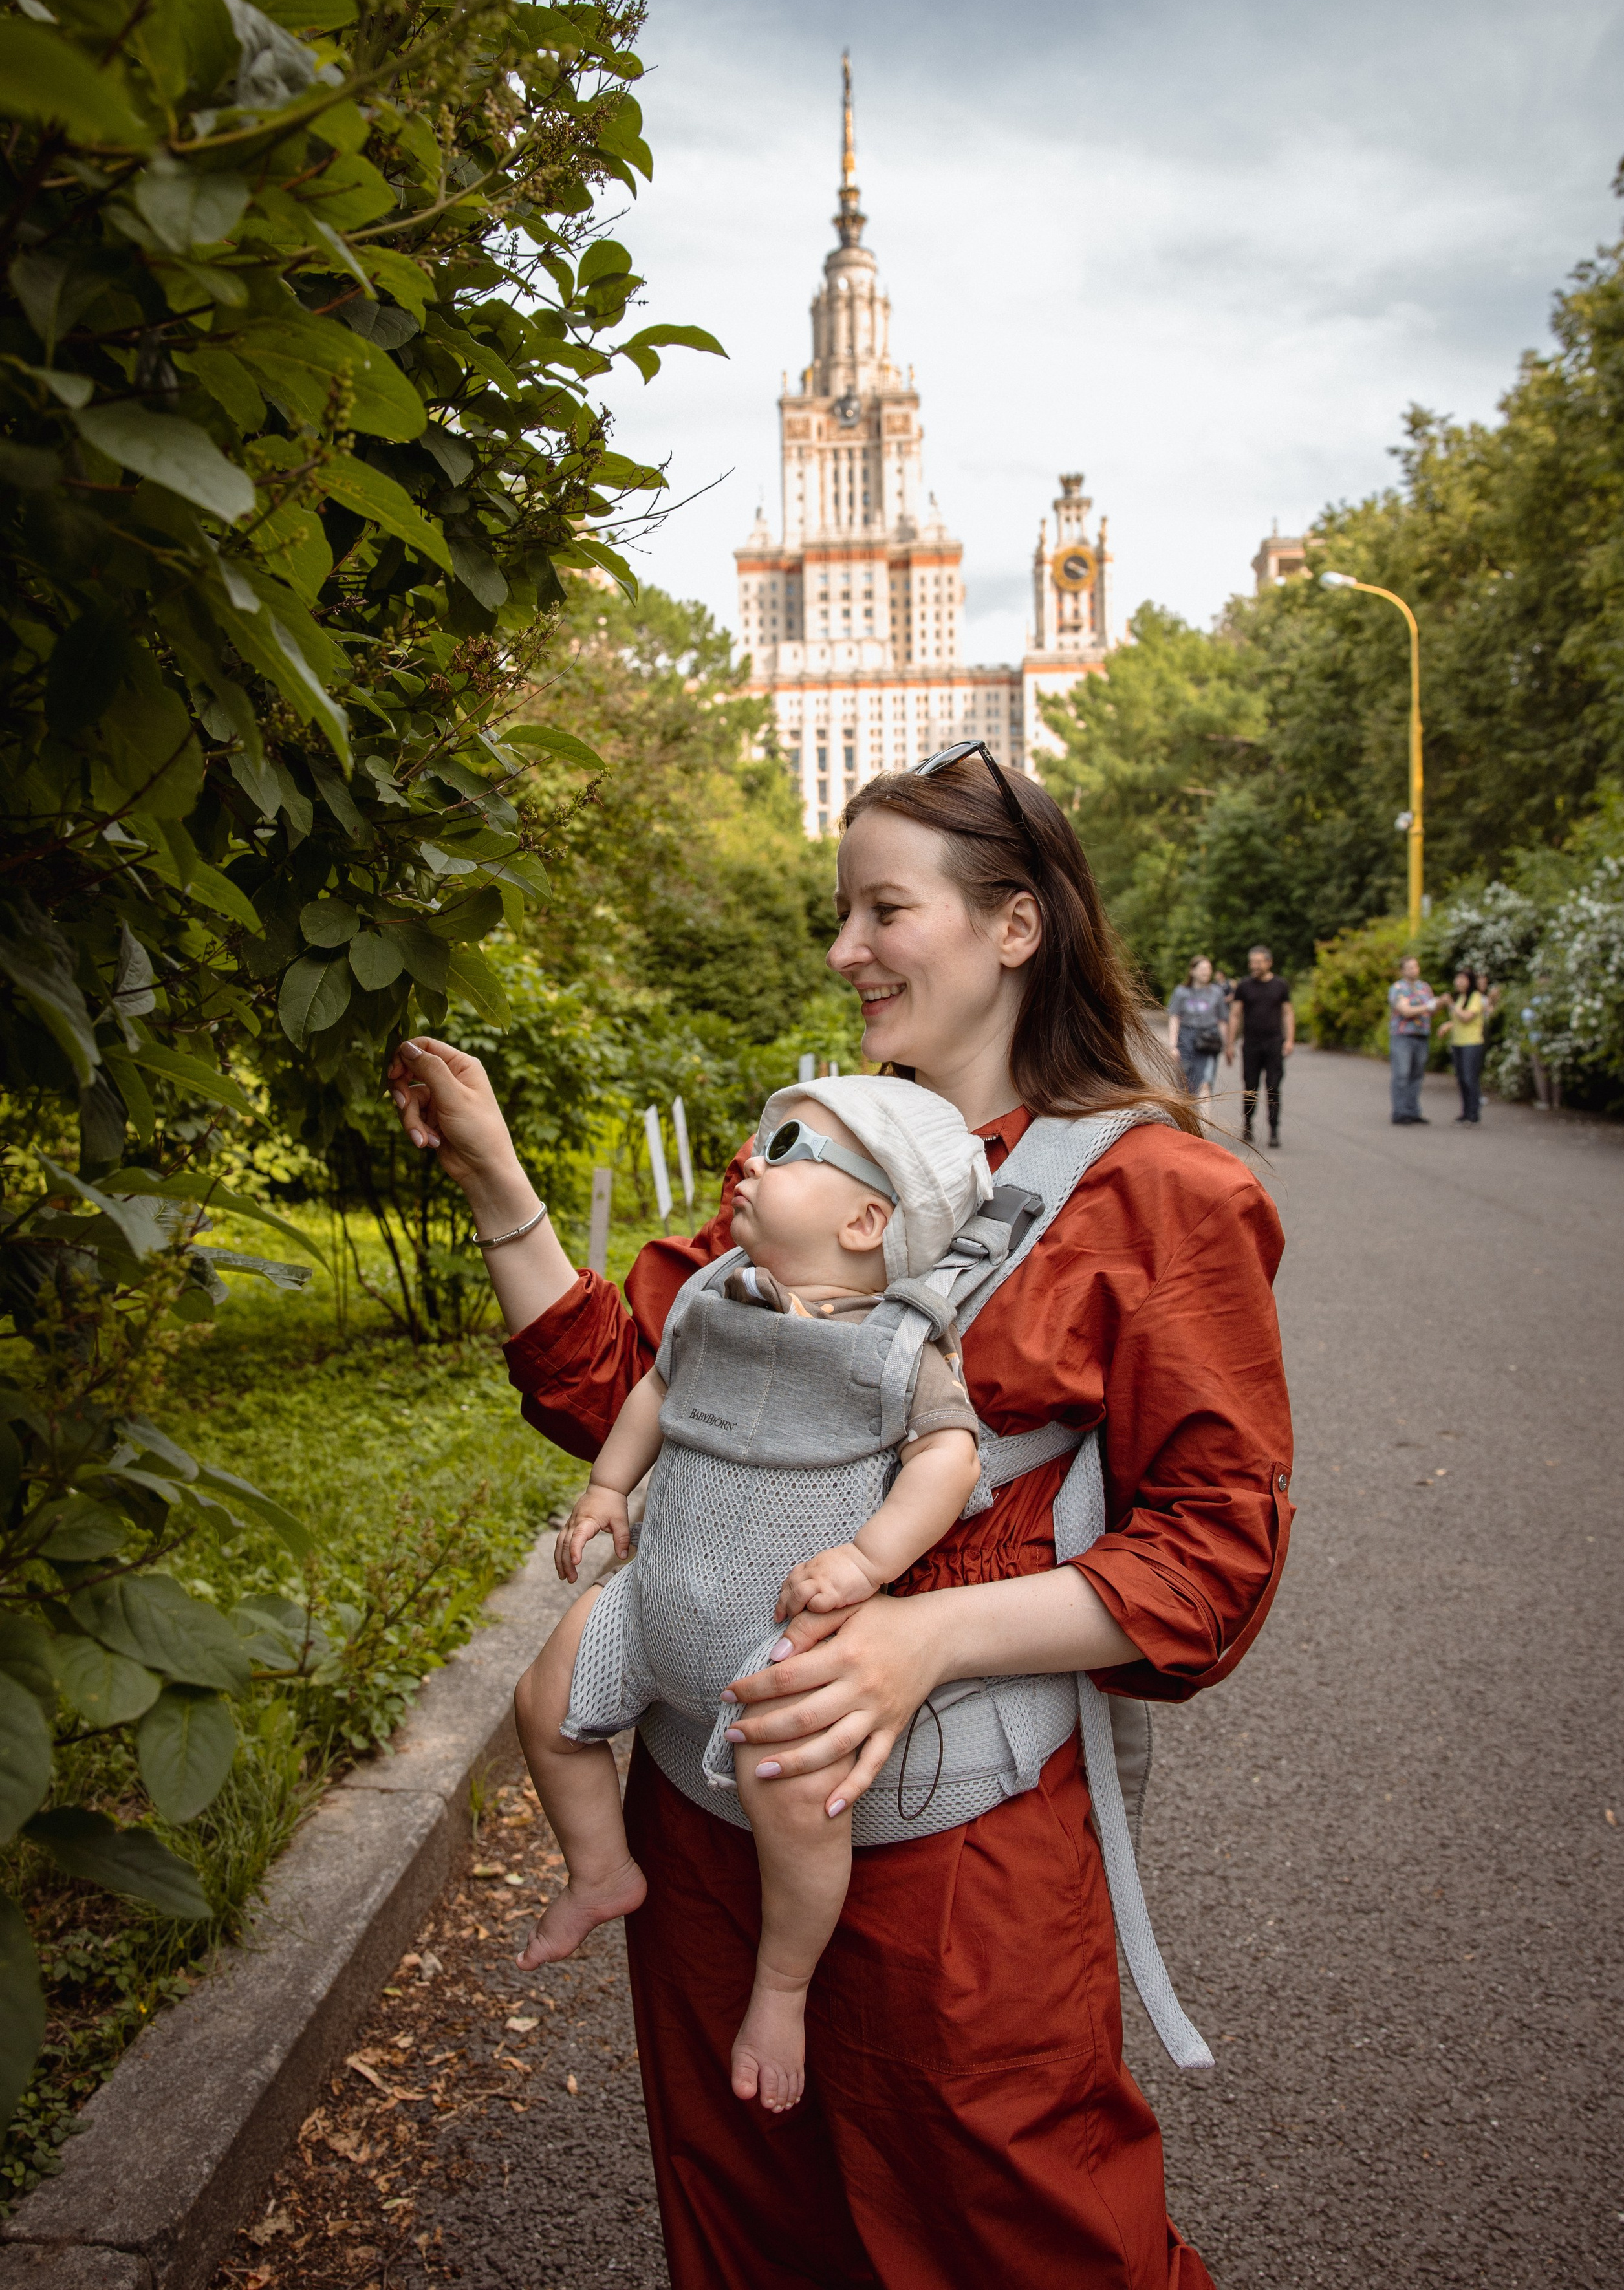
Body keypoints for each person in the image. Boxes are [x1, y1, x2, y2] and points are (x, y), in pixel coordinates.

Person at [385, 746, 1294, 2290]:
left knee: (1023, 2232)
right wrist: (494, 1178)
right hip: (701, 1818)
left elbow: (1212, 1557)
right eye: (836, 911)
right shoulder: (804, 1154)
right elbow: (621, 1369)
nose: (841, 949)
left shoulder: (1159, 1197)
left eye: (882, 909)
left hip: (949, 1874)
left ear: (1015, 926)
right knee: (746, 2227)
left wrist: (914, 1637)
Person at [513, 1080, 986, 2117]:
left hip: (775, 1648)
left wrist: (865, 1564)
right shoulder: (712, 1294)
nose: (754, 1163)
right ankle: (601, 1870)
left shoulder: (901, 1344)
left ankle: (781, 1987)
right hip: (651, 1605)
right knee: (543, 1705)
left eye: (791, 1149)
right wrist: (606, 1485)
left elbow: (948, 1460)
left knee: (797, 1802)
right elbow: (657, 1391)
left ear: (868, 1221)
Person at [1226, 944, 1295, 1147]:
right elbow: (1236, 1015)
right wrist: (1230, 1044)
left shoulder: (1280, 986)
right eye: (1252, 963)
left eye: (1258, 962)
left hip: (1274, 1043)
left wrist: (1290, 1040)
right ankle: (1247, 1124)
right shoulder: (1244, 986)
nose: (1254, 966)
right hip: (1251, 1044)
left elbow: (1288, 1013)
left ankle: (1274, 1129)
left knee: (1274, 1086)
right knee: (1250, 1086)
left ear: (1269, 962)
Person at [1165, 955, 1228, 1109]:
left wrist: (1227, 1045)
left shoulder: (1216, 992)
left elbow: (1222, 1020)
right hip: (1186, 1040)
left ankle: (1203, 1126)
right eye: (1202, 969)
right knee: (1186, 1084)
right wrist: (1173, 1046)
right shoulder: (1181, 992)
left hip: (1208, 1041)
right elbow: (1174, 1017)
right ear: (1193, 971)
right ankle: (1186, 1119)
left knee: (1206, 1083)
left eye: (1209, 969)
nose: (1206, 972)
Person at [1438, 967, 1499, 1123]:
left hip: (1472, 1043)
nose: (1458, 982)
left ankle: (1474, 1113)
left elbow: (1466, 1017)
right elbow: (1458, 1018)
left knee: (1470, 1078)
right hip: (1458, 1042)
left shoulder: (1476, 997)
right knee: (1461, 1079)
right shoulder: (1461, 998)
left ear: (1470, 981)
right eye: (1457, 979)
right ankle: (1465, 1112)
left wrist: (1451, 1004)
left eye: (1462, 979)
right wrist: (1447, 1025)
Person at [1387, 955, 1440, 1125]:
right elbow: (1405, 1011)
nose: (1414, 970)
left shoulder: (1424, 987)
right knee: (1402, 1074)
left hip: (1421, 1035)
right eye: (1410, 967)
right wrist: (1427, 1007)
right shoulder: (1397, 988)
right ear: (1403, 970)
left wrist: (1439, 1004)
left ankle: (1413, 1111)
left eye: (1416, 967)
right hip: (1403, 1036)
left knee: (1417, 1076)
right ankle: (1400, 1112)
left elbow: (1433, 1011)